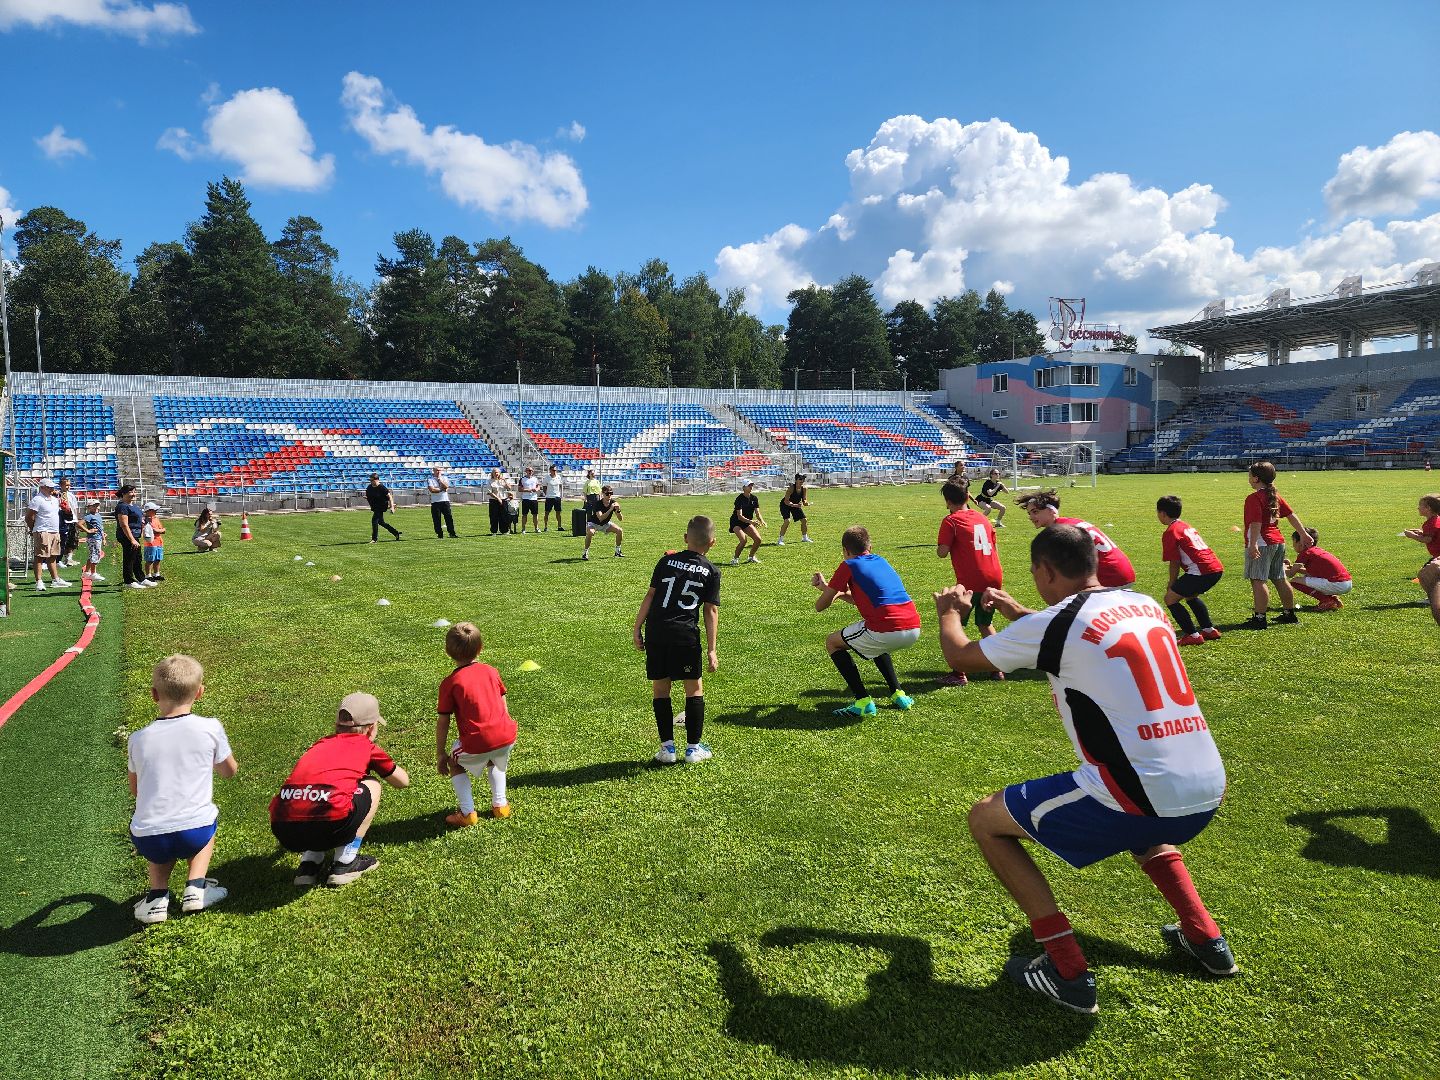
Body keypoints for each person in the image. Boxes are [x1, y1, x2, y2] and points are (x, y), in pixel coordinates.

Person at [934, 525, 1235, 1015]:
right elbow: (1084, 633)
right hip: (1206, 785)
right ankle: (1206, 939)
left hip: (1141, 791)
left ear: (1046, 570)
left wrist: (949, 613)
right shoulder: (1145, 605)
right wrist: (1018, 614)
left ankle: (1067, 971)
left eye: (1035, 571)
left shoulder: (1057, 624)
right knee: (1145, 823)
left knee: (985, 819)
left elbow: (960, 654)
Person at [128, 655, 239, 924]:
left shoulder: (138, 739)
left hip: (148, 838)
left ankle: (157, 897)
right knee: (206, 815)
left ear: (154, 694)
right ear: (199, 692)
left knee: (160, 820)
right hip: (195, 832)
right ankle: (196, 886)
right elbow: (229, 771)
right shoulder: (210, 728)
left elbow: (136, 790)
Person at [270, 692, 411, 887]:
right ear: (371, 729)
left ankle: (309, 864)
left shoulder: (320, 744)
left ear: (337, 726)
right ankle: (346, 862)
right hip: (330, 824)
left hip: (283, 828)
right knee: (372, 784)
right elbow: (402, 782)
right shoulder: (366, 746)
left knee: (316, 798)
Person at [633, 515, 721, 765]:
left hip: (657, 632)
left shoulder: (666, 561)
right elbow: (710, 611)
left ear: (685, 538)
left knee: (661, 690)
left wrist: (637, 627)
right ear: (712, 543)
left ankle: (667, 749)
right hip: (685, 635)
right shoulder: (711, 571)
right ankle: (693, 749)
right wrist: (712, 650)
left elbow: (650, 596)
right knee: (693, 689)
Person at [812, 525, 920, 716]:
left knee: (832, 642)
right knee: (874, 639)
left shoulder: (848, 565)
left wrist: (828, 591)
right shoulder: (881, 561)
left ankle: (862, 702)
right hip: (913, 627)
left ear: (845, 550)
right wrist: (831, 590)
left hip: (887, 629)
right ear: (870, 546)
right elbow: (862, 600)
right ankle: (898, 694)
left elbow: (820, 606)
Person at [436, 622, 517, 825]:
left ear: (447, 652)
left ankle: (467, 813)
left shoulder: (450, 683)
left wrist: (440, 753)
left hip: (479, 742)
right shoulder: (491, 671)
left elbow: (443, 721)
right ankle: (500, 806)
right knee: (495, 759)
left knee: (454, 762)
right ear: (480, 648)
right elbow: (503, 704)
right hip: (506, 737)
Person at [935, 478, 1003, 687]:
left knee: (955, 621)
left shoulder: (951, 521)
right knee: (985, 623)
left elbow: (942, 553)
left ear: (947, 502)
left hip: (971, 579)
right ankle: (997, 668)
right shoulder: (983, 518)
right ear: (967, 497)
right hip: (994, 575)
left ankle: (959, 673)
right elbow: (993, 546)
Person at [1016, 490, 1135, 588]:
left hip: (1110, 579)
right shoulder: (1072, 522)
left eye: (1035, 512)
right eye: (1029, 513)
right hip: (1123, 572)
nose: (1031, 517)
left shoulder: (1060, 531)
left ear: (1051, 510)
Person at [1243, 461, 1309, 629]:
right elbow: (1291, 515)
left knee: (1258, 580)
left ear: (1256, 479)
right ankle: (1289, 613)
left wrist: (1252, 544)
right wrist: (1303, 533)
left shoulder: (1254, 498)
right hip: (1278, 541)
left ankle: (1260, 618)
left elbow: (1256, 523)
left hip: (1262, 543)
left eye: (1250, 475)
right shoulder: (1275, 495)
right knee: (1279, 578)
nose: (1248, 478)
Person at [1156, 495, 1224, 645]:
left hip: (1201, 571)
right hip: (1215, 568)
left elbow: (1174, 562)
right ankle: (1208, 630)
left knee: (1170, 599)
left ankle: (1193, 635)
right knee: (1191, 596)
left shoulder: (1170, 532)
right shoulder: (1185, 526)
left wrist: (1171, 584)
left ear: (1162, 514)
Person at [1287, 528, 1352, 612]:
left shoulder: (1306, 552)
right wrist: (1290, 566)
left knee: (1295, 581)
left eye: (1294, 541)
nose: (1293, 545)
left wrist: (1278, 568)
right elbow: (1309, 572)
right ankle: (1333, 599)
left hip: (1337, 584)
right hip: (1346, 583)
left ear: (1301, 543)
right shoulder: (1316, 551)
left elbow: (1291, 574)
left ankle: (1326, 600)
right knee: (1307, 577)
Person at [25, 477, 69, 592]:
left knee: (53, 555)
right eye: (49, 487)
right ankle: (38, 581)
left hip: (54, 530)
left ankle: (55, 579)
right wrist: (33, 529)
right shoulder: (37, 500)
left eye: (52, 487)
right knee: (40, 556)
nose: (52, 489)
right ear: (42, 487)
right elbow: (29, 517)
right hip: (42, 530)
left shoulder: (54, 500)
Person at [1403, 494, 1440, 627]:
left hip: (1438, 557)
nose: (1418, 508)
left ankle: (1432, 597)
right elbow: (1432, 535)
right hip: (1437, 556)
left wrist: (1412, 536)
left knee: (1425, 575)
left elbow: (1428, 539)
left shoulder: (1432, 522)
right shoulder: (1435, 520)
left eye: (1420, 505)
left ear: (1428, 508)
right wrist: (1420, 532)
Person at [114, 483, 150, 590]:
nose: (133, 494)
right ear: (124, 494)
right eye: (130, 492)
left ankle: (141, 578)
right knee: (129, 558)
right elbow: (124, 524)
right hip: (127, 536)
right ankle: (128, 580)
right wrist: (132, 539)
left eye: (134, 491)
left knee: (137, 557)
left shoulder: (133, 506)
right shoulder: (122, 506)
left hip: (135, 535)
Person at [729, 480, 766, 565]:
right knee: (743, 540)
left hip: (747, 522)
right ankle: (735, 559)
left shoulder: (754, 498)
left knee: (758, 539)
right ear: (743, 487)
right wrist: (751, 522)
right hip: (736, 522)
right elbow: (739, 516)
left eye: (752, 485)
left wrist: (762, 520)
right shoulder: (739, 499)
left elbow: (757, 513)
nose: (751, 487)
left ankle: (751, 557)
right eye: (749, 485)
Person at [583, 485, 624, 560]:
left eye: (611, 493)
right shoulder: (598, 504)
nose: (609, 495)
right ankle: (585, 552)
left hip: (605, 524)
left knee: (619, 531)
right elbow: (601, 518)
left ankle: (618, 551)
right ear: (602, 494)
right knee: (590, 533)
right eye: (607, 494)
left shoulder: (613, 503)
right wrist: (611, 509)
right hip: (594, 523)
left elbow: (620, 519)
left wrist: (618, 510)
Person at [775, 473, 812, 545]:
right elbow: (786, 501)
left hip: (796, 505)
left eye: (803, 479)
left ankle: (805, 538)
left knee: (804, 520)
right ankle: (780, 540)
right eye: (800, 479)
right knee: (787, 521)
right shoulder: (791, 488)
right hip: (785, 505)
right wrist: (795, 505)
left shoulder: (804, 488)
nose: (802, 480)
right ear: (796, 480)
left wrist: (806, 503)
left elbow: (804, 500)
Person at [364, 474, 401, 543]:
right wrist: (367, 498)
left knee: (374, 520)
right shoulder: (369, 487)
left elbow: (390, 497)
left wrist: (392, 507)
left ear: (377, 480)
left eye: (372, 480)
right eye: (370, 480)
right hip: (375, 506)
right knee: (381, 522)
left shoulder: (382, 487)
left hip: (381, 506)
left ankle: (374, 539)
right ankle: (396, 533)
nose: (371, 482)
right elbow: (370, 496)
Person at [78, 499, 107, 581]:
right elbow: (79, 524)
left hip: (98, 538)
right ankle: (93, 573)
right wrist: (87, 530)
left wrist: (103, 538)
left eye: (97, 505)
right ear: (89, 507)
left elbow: (100, 528)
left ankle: (86, 572)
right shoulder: (89, 516)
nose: (96, 507)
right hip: (93, 538)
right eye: (93, 506)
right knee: (95, 555)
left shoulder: (98, 515)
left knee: (92, 555)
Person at [428, 466, 457, 539]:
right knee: (437, 519)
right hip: (435, 502)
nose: (438, 472)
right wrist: (441, 489)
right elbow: (432, 490)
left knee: (449, 518)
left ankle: (452, 533)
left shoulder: (444, 478)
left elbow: (446, 487)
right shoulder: (430, 479)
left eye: (439, 471)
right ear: (433, 471)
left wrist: (440, 480)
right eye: (437, 470)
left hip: (445, 501)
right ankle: (439, 534)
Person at [57, 476, 80, 567]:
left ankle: (69, 558)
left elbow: (75, 508)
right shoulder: (57, 495)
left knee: (72, 539)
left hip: (72, 520)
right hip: (62, 520)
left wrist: (76, 520)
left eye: (69, 485)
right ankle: (59, 559)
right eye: (66, 485)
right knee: (62, 540)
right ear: (61, 485)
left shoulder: (71, 495)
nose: (68, 487)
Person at [142, 503, 166, 583]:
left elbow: (162, 529)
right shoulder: (144, 520)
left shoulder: (156, 519)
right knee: (150, 560)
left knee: (158, 559)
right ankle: (148, 575)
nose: (156, 511)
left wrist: (158, 530)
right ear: (148, 511)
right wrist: (158, 530)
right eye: (154, 510)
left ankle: (156, 574)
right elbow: (147, 531)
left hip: (159, 542)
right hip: (150, 543)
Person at [487, 468, 510, 536]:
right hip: (494, 500)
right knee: (494, 516)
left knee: (504, 516)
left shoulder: (502, 481)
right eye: (495, 472)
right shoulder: (490, 481)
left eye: (497, 472)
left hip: (503, 499)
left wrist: (505, 481)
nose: (496, 474)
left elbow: (509, 488)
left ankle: (504, 531)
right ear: (492, 473)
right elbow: (490, 492)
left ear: (499, 473)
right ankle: (494, 531)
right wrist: (498, 498)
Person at [542, 464, 564, 532]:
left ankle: (559, 526)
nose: (554, 471)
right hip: (549, 497)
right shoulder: (547, 478)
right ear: (550, 470)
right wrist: (547, 494)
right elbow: (544, 487)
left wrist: (561, 495)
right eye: (553, 470)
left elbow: (560, 486)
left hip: (557, 497)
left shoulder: (558, 477)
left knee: (558, 512)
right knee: (547, 512)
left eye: (555, 470)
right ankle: (545, 527)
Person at [518, 465, 540, 534]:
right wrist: (529, 490)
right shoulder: (522, 479)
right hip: (526, 499)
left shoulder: (535, 479)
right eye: (528, 470)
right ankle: (523, 529)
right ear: (526, 471)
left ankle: (536, 528)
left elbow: (538, 486)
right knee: (524, 514)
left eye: (531, 470)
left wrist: (536, 489)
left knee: (535, 514)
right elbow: (519, 489)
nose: (530, 472)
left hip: (534, 498)